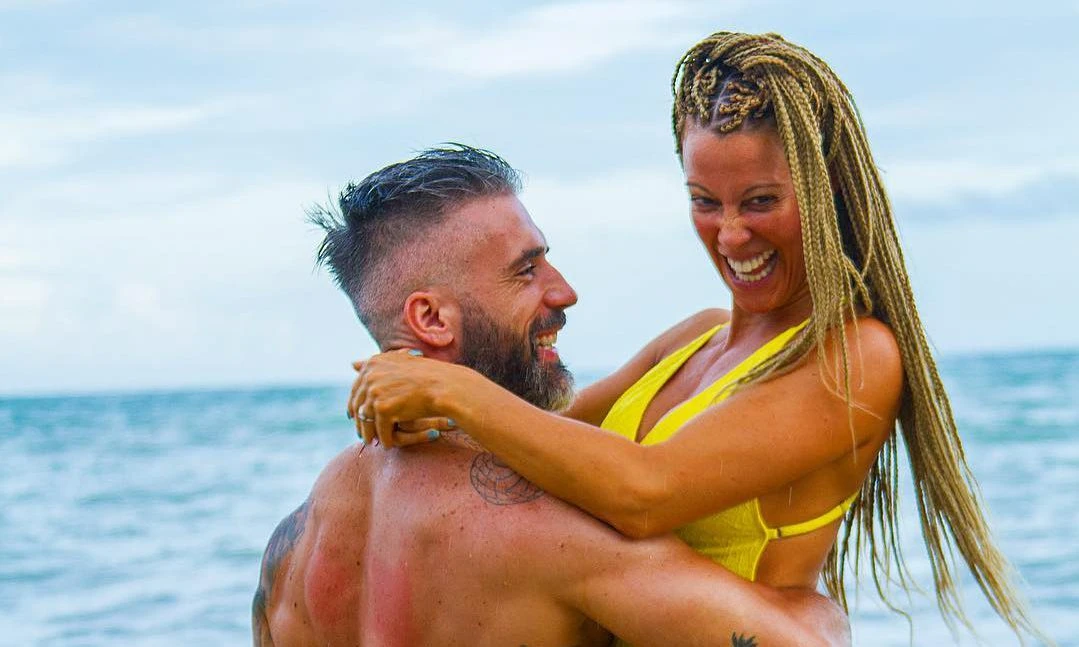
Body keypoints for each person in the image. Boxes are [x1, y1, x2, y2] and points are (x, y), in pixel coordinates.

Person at [348, 32, 1045, 641]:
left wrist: (454, 390)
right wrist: (423, 411)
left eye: (760, 201)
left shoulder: (855, 354)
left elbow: (644, 491)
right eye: (704, 202)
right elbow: (535, 447)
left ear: (827, 189)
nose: (731, 234)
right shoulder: (692, 338)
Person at [253, 145, 851, 645]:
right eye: (526, 270)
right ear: (431, 319)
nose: (564, 292)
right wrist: (813, 605)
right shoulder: (548, 529)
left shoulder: (303, 537)